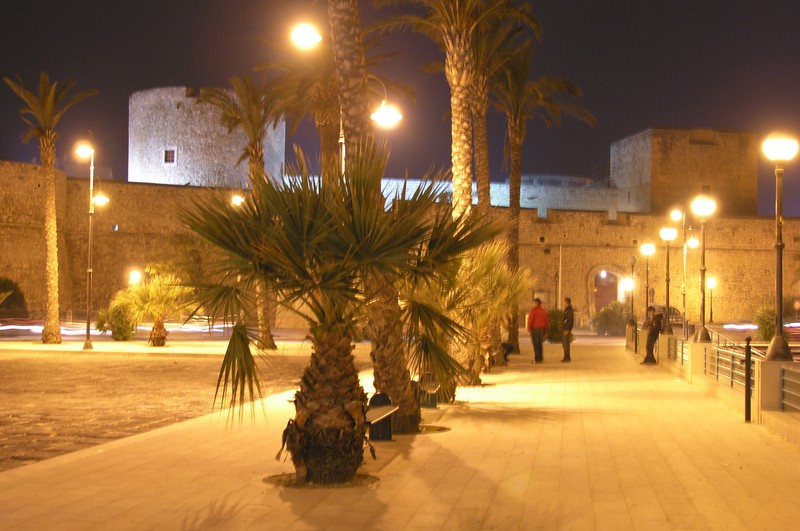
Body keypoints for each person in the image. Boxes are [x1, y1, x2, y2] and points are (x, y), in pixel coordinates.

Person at [526, 298, 549, 363]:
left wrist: (529, 328)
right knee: (540, 343)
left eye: (533, 303)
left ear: (536, 303)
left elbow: (530, 320)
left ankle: (537, 359)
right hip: (541, 329)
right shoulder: (543, 311)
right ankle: (540, 357)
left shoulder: (533, 311)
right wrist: (545, 330)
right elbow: (547, 321)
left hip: (535, 329)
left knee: (536, 344)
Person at [561, 297, 574, 362]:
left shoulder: (569, 310)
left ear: (567, 303)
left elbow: (569, 321)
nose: (564, 304)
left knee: (565, 343)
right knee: (564, 343)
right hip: (565, 328)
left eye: (564, 302)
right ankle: (566, 357)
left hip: (566, 329)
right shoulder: (567, 310)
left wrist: (567, 329)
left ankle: (567, 357)